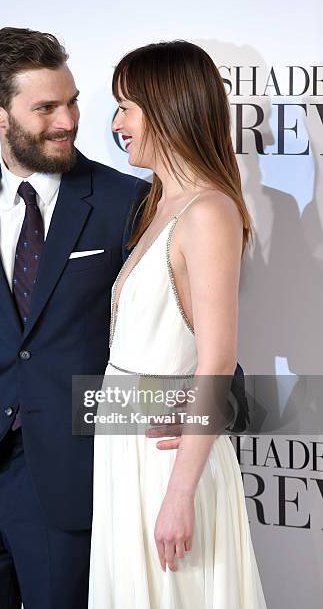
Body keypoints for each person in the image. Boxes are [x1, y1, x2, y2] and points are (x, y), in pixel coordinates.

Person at [0, 27, 150, 609]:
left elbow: (169, 330)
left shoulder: (126, 200)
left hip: (71, 480)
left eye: (70, 101)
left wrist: (220, 406)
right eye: (45, 108)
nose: (67, 120)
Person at [88, 41, 268, 608]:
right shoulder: (159, 202)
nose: (116, 124)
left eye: (126, 107)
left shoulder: (207, 211)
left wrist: (179, 494)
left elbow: (215, 360)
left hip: (168, 465)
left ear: (166, 107)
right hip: (128, 451)